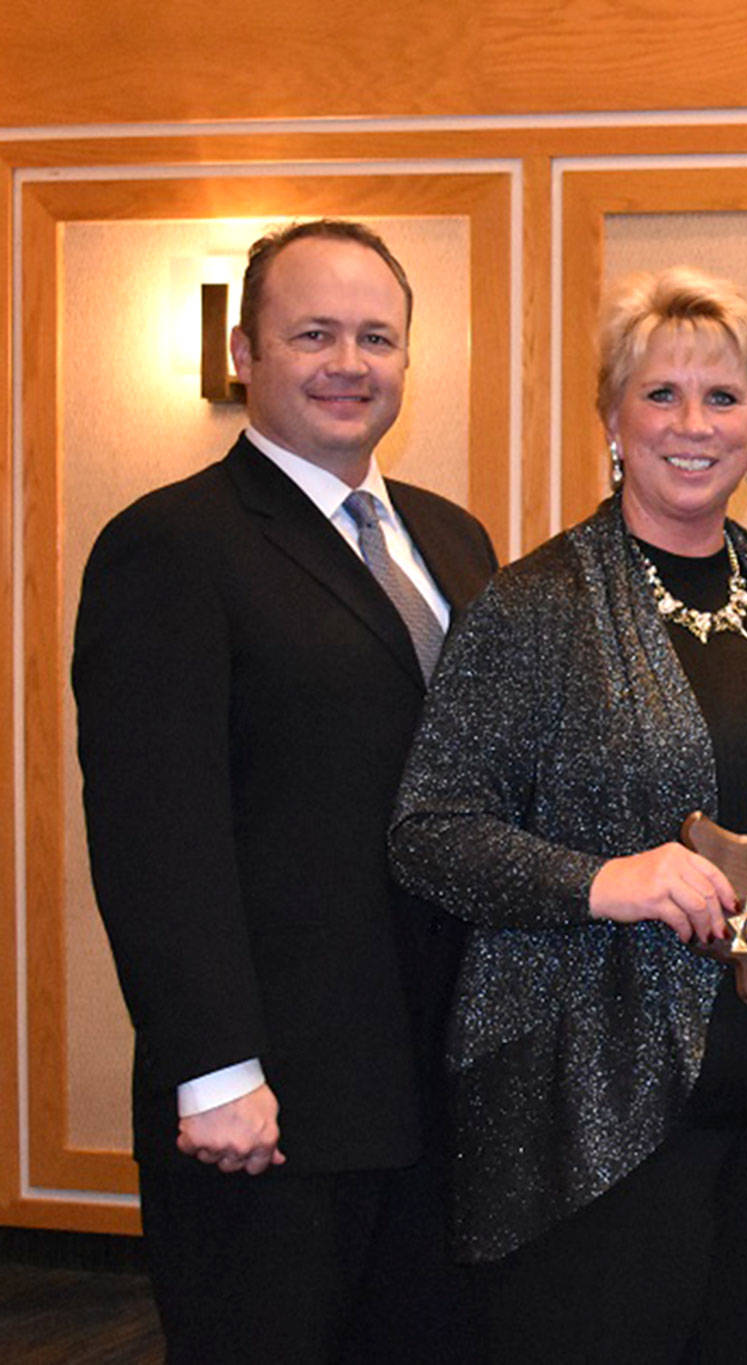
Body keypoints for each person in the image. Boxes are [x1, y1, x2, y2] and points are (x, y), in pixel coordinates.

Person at [388, 266, 747, 1364]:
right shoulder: (535, 603)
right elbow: (430, 830)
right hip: (596, 1104)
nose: (694, 425)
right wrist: (604, 880)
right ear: (612, 419)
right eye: (662, 396)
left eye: (723, 398)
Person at [72, 219, 498, 1363]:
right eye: (313, 333)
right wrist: (214, 1068)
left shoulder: (454, 543)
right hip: (273, 1105)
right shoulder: (171, 545)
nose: (348, 363)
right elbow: (156, 834)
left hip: (434, 1091)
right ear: (245, 350)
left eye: (376, 337)